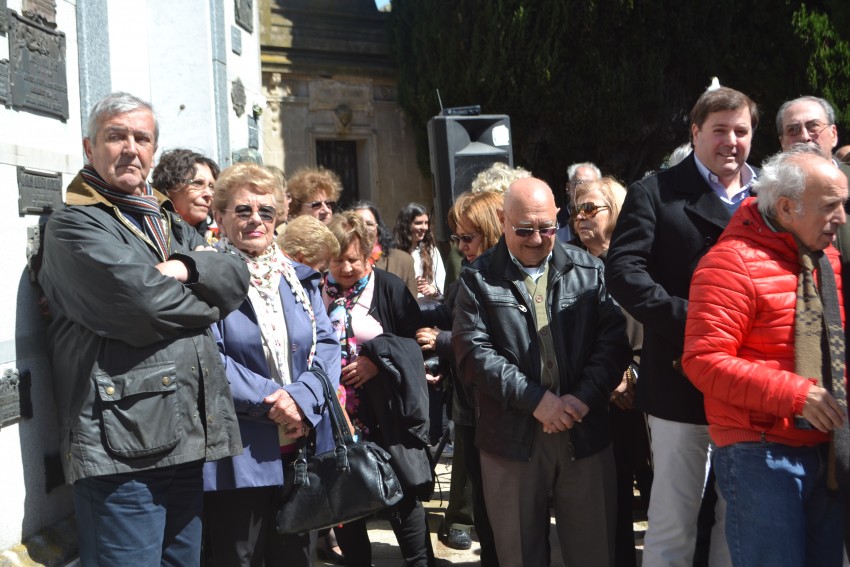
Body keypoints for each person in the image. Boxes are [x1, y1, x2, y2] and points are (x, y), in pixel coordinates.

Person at [37, 92, 250, 566]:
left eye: (142, 138)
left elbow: (236, 276)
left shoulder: (167, 221)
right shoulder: (74, 226)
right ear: (90, 148)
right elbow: (140, 305)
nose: (131, 148)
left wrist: (185, 268)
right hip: (121, 449)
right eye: (116, 136)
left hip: (185, 437)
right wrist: (207, 292)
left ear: (153, 151)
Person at [605, 85, 760, 567]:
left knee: (738, 518)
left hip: (752, 380)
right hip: (679, 379)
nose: (731, 141)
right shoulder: (655, 191)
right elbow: (624, 271)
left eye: (741, 130)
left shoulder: (769, 196)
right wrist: (694, 321)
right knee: (675, 516)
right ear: (695, 133)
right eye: (719, 130)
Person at [682, 145, 849, 566]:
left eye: (843, 205)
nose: (842, 219)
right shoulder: (729, 262)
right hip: (760, 453)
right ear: (788, 207)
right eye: (831, 206)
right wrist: (798, 395)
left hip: (825, 449)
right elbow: (702, 361)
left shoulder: (824, 257)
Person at [453, 177, 631, 567]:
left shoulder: (589, 270)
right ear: (502, 221)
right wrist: (537, 401)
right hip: (511, 438)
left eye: (547, 227)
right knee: (519, 553)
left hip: (583, 431)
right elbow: (473, 354)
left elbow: (612, 343)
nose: (537, 238)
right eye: (524, 229)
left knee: (593, 550)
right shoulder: (477, 278)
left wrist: (582, 398)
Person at [201, 163, 341, 567]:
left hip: (300, 447)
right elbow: (208, 356)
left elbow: (327, 345)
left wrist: (303, 400)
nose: (255, 221)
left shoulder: (298, 279)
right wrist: (273, 400)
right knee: (239, 557)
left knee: (294, 558)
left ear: (279, 216)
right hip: (240, 452)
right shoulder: (206, 278)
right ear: (220, 215)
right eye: (243, 210)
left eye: (265, 211)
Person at [323, 212, 434, 567]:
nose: (346, 267)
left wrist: (377, 361)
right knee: (346, 498)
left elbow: (415, 341)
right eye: (337, 259)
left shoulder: (387, 287)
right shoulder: (313, 289)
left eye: (353, 259)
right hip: (338, 417)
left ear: (369, 254)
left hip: (385, 412)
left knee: (401, 495)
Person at [416, 189, 504, 563]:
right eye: (456, 238)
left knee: (499, 506)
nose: (461, 246)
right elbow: (447, 313)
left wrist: (441, 341)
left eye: (468, 238)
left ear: (492, 232)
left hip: (498, 403)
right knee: (482, 503)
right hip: (468, 401)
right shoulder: (470, 273)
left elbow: (494, 340)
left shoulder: (502, 276)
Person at [572, 177, 653, 567]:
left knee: (663, 505)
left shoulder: (645, 263)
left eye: (589, 209)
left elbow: (662, 325)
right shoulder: (570, 269)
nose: (579, 218)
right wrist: (604, 383)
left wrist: (633, 375)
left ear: (616, 211)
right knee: (613, 511)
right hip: (601, 404)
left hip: (651, 401)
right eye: (575, 212)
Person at [350, 200, 418, 297]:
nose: (364, 228)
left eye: (369, 224)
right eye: (358, 224)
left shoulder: (403, 261)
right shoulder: (339, 263)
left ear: (377, 228)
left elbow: (411, 306)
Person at [150, 148, 220, 242]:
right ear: (169, 187)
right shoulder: (151, 234)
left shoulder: (219, 241)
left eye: (212, 186)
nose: (208, 194)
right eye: (198, 183)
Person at [776, 95, 850, 180]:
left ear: (833, 134)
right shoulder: (770, 189)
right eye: (792, 130)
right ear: (782, 143)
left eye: (813, 126)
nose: (804, 137)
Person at [394, 203, 446, 308]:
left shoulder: (432, 250)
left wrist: (433, 290)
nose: (424, 227)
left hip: (431, 309)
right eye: (418, 223)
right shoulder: (395, 253)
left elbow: (443, 284)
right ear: (407, 225)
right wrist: (411, 286)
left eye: (426, 223)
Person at [558, 161, 602, 242]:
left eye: (590, 184)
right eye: (579, 183)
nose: (584, 188)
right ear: (568, 187)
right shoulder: (556, 222)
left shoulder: (607, 219)